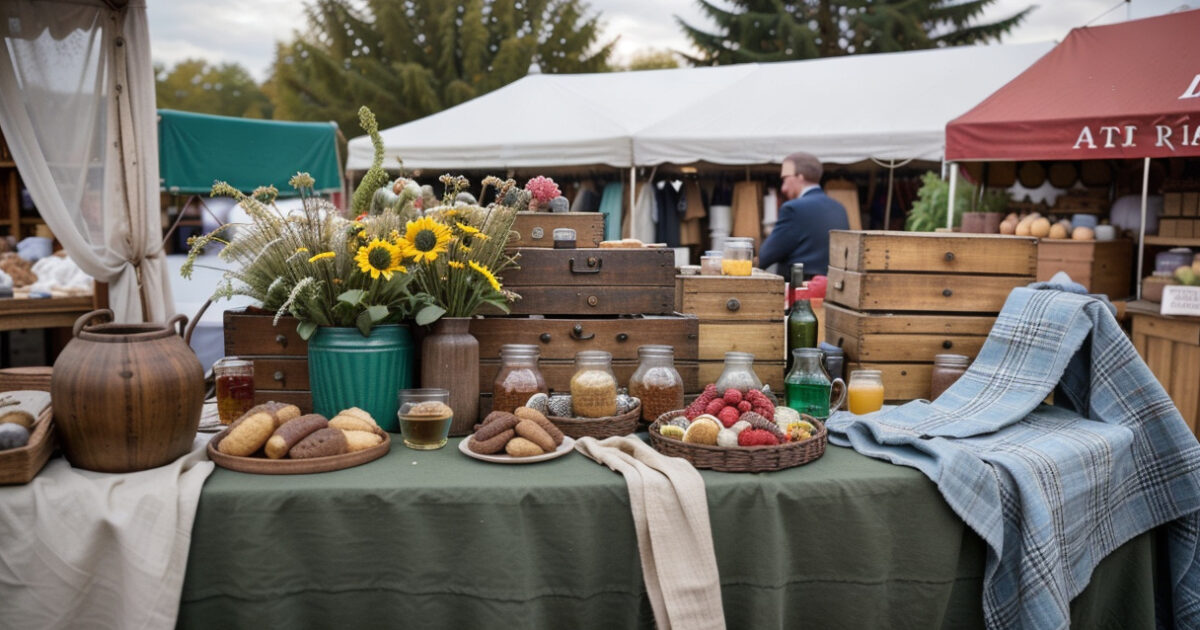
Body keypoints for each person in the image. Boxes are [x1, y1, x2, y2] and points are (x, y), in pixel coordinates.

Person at [757, 152, 849, 277]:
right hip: (834, 289)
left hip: (801, 290)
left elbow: (766, 256)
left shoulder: (792, 208)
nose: (783, 188)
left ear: (800, 176)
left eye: (785, 178)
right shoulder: (839, 208)